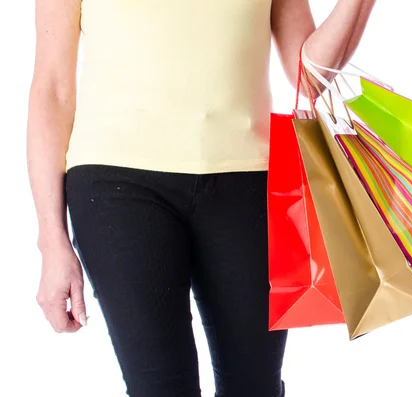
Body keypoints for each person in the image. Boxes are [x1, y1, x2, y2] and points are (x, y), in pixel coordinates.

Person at [27, 0, 376, 396]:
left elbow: (309, 76)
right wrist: (51, 239)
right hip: (118, 186)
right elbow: (52, 89)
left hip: (248, 182)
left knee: (255, 388)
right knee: (160, 388)